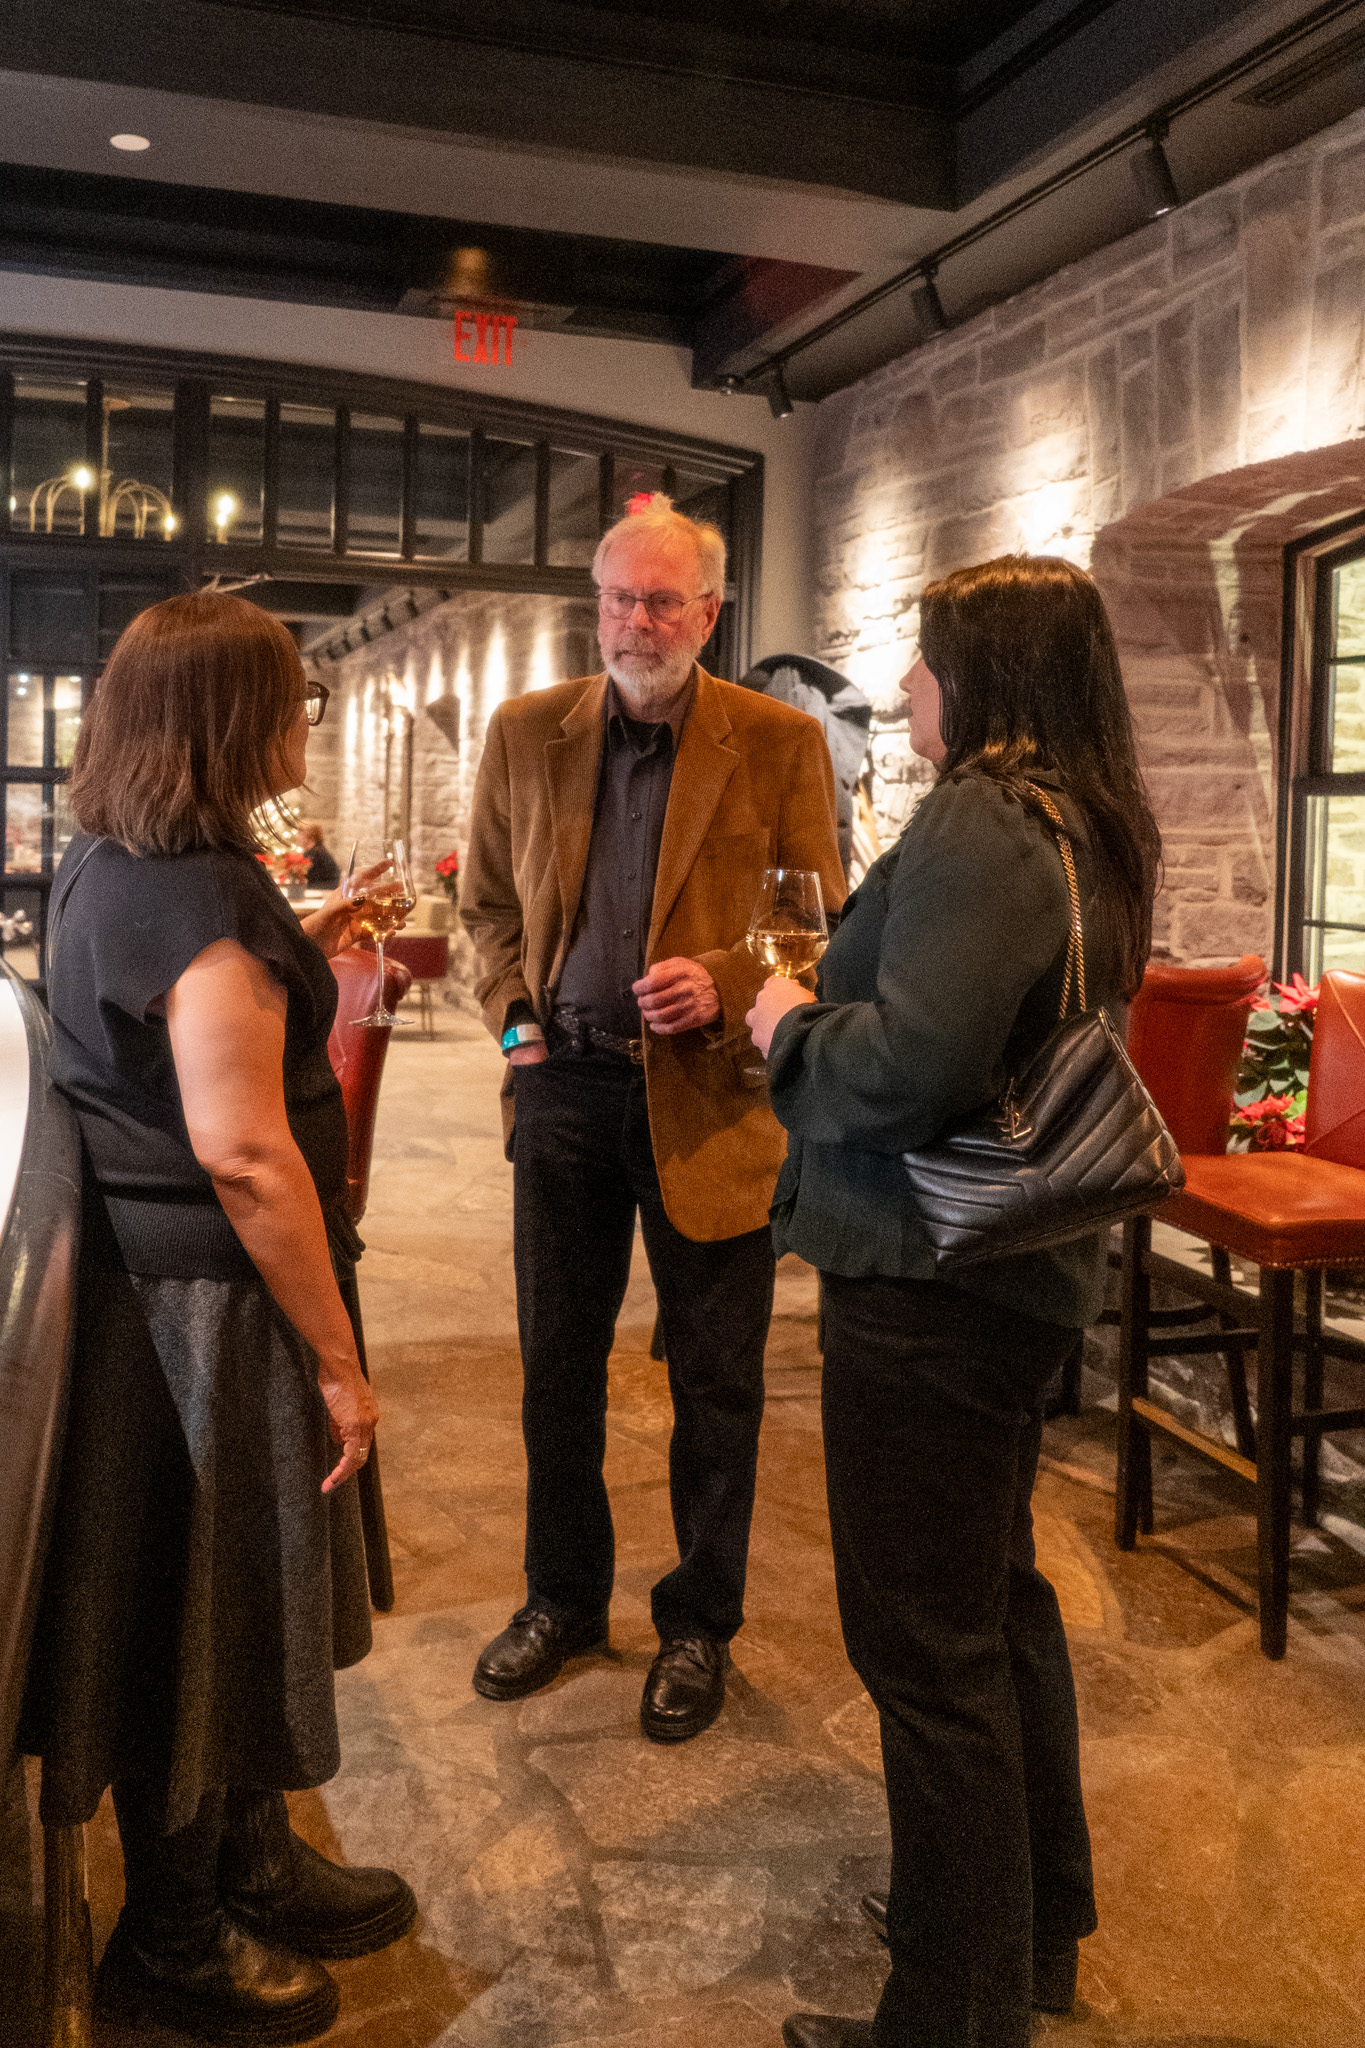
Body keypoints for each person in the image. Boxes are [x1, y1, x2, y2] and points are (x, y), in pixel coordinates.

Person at [747, 556, 1161, 2048]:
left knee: (926, 1654)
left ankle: (949, 2010)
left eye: (924, 660)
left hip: (933, 1286)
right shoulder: (1088, 814)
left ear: (984, 674)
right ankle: (1025, 1929)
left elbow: (910, 1066)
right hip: (1003, 1287)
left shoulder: (988, 816)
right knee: (994, 1609)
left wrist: (792, 1024)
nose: (909, 686)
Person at [20, 592, 416, 2045]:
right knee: (204, 1608)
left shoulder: (113, 861)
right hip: (211, 1303)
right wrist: (338, 1359)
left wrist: (290, 936)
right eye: (293, 697)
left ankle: (250, 1858)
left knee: (235, 1591)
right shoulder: (198, 898)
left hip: (155, 1286)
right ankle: (173, 1934)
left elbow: (172, 994)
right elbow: (244, 1151)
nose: (304, 718)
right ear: (227, 719)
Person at [460, 494, 844, 1742]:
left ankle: (698, 1621)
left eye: (663, 600)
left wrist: (727, 981)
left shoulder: (778, 741)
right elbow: (485, 910)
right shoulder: (526, 732)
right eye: (620, 598)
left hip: (711, 1100)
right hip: (564, 1085)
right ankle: (562, 1597)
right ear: (598, 604)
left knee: (717, 1382)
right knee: (557, 1368)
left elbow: (816, 925)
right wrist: (515, 1026)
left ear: (709, 614)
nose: (637, 621)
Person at [299, 819, 340, 891]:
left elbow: (308, 879)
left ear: (309, 836)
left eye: (300, 833)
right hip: (319, 889)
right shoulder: (317, 851)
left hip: (323, 891)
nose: (297, 836)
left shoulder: (316, 855)